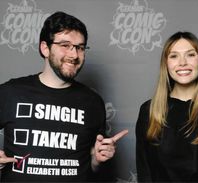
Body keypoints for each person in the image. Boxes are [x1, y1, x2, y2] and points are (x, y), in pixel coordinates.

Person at [0, 11, 128, 182]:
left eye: (80, 47)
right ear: (45, 48)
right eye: (65, 45)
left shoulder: (93, 102)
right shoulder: (11, 92)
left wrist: (97, 159)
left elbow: (89, 163)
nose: (74, 55)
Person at [135, 31, 198, 182]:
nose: (182, 62)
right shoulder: (149, 111)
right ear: (166, 65)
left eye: (190, 54)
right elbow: (145, 174)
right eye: (174, 56)